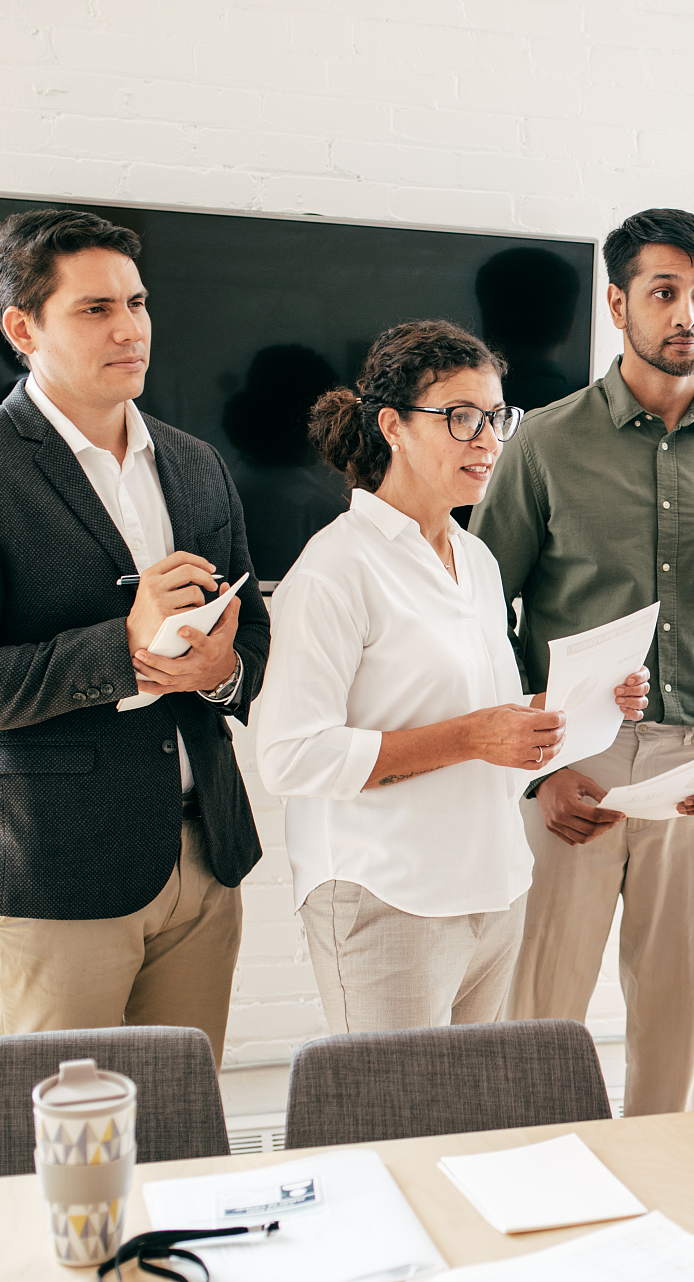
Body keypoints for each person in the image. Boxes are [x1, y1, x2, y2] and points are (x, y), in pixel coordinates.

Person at [0, 208, 267, 1066]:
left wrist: (218, 672)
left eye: (136, 302)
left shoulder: (196, 462)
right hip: (49, 873)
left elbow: (256, 639)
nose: (131, 328)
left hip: (203, 862)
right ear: (23, 327)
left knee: (178, 1141)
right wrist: (123, 648)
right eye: (95, 309)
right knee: (59, 1153)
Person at [470, 208, 694, 1116]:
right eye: (664, 292)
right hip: (570, 764)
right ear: (618, 305)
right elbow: (475, 613)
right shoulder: (541, 442)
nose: (686, 313)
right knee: (539, 1023)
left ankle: (662, 1229)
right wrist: (534, 773)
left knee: (679, 1029)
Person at [255, 321, 646, 1033]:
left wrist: (577, 702)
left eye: (497, 417)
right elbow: (289, 754)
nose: (489, 440)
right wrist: (474, 736)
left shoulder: (477, 560)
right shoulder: (334, 567)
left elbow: (484, 720)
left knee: (463, 1132)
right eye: (462, 417)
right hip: (387, 896)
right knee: (394, 1133)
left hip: (492, 889)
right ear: (392, 427)